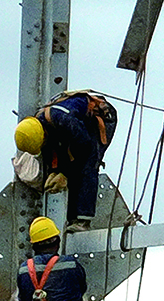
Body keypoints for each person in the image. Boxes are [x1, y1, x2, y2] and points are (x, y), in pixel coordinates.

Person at [15, 89, 118, 230]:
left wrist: (65, 174)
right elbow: (54, 150)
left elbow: (84, 145)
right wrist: (54, 170)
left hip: (100, 117)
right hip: (79, 124)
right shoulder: (41, 124)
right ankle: (71, 219)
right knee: (72, 161)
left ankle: (83, 219)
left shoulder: (62, 119)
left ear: (42, 135)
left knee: (88, 164)